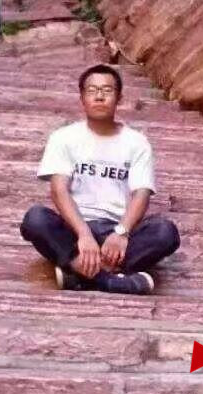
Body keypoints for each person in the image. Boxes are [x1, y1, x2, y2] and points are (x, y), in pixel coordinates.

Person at [20, 64, 180, 295]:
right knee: (36, 219)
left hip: (116, 231)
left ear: (119, 98)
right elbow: (58, 190)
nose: (99, 96)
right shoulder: (64, 138)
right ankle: (110, 280)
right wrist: (84, 235)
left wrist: (121, 232)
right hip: (74, 228)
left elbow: (142, 193)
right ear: (82, 98)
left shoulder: (136, 143)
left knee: (165, 232)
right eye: (92, 90)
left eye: (107, 90)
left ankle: (78, 273)